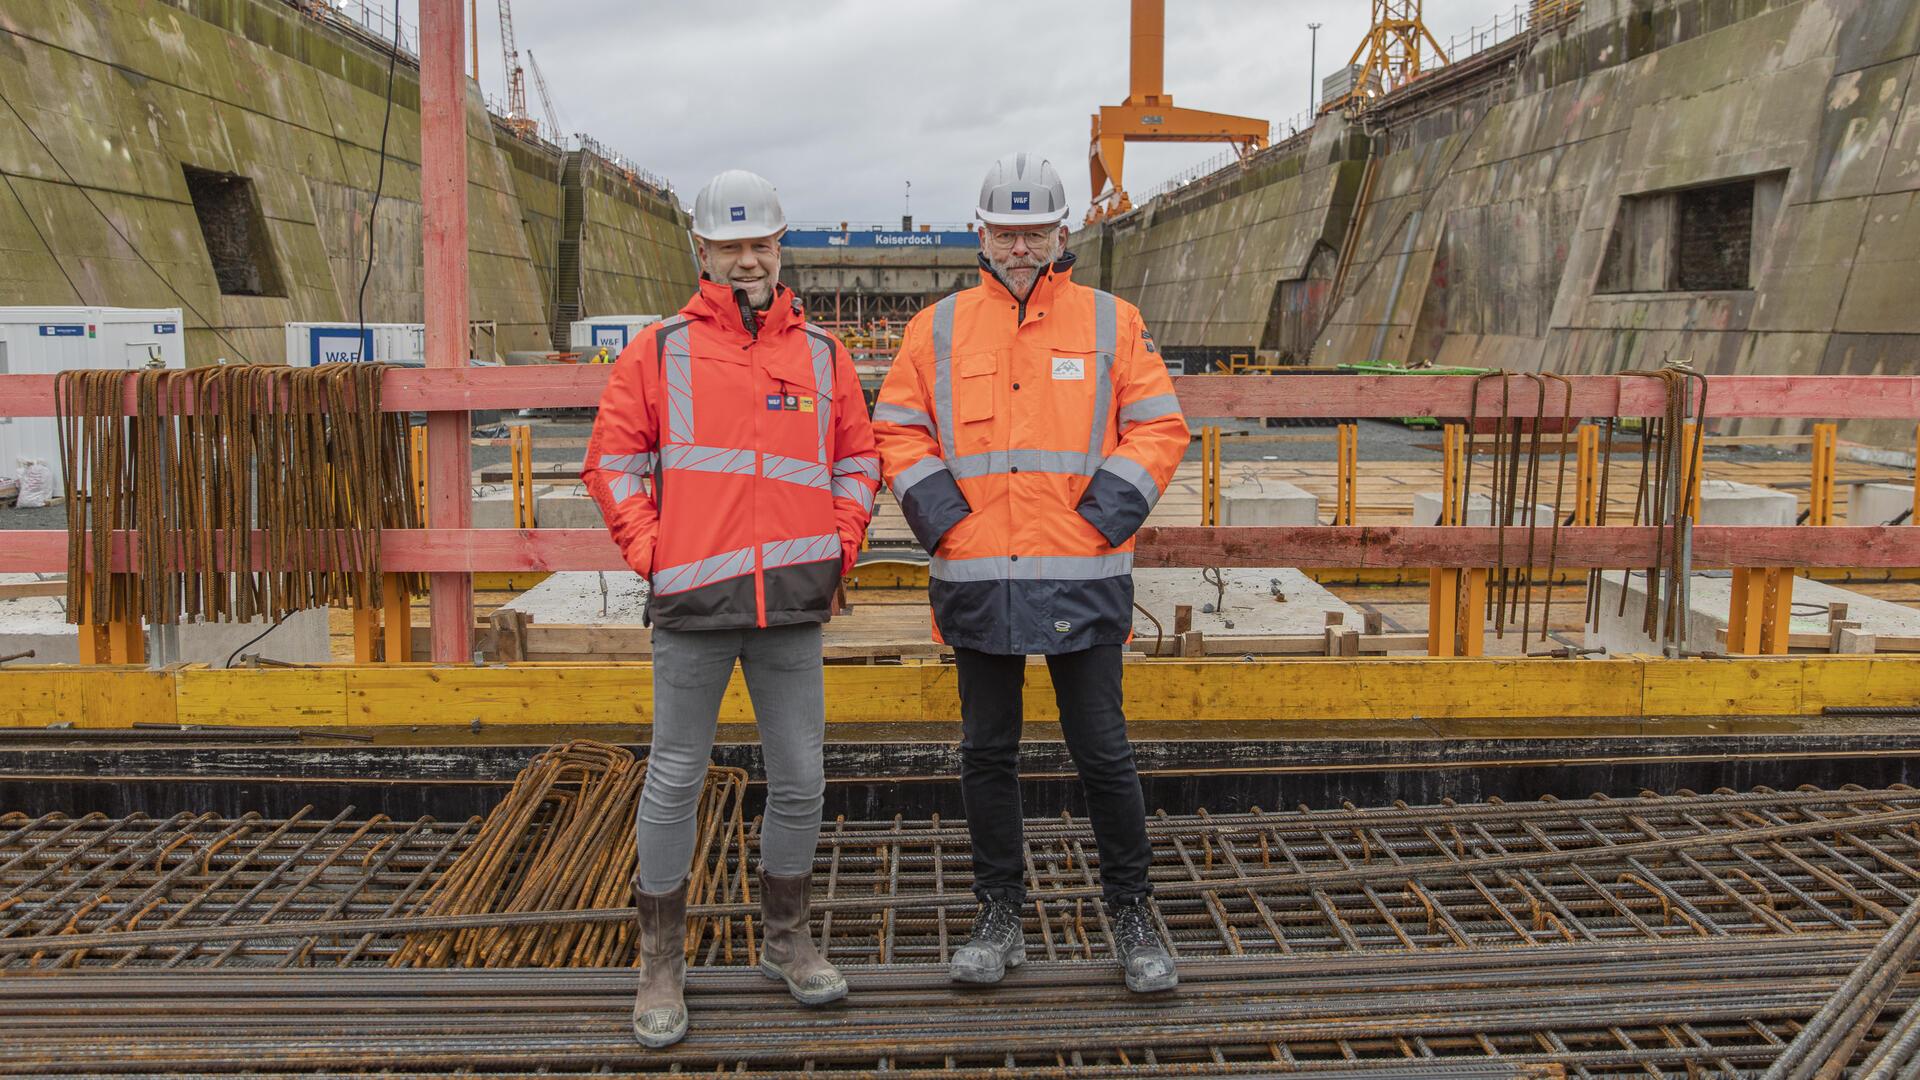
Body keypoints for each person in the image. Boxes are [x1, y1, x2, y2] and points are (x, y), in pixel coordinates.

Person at [872, 153, 1189, 992]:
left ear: (1062, 233)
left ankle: (1132, 914)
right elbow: (899, 430)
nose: (1019, 247)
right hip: (978, 574)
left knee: (1104, 753)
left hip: (1081, 572)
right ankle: (998, 913)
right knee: (986, 753)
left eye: (1034, 232)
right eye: (1006, 233)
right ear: (982, 234)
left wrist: (1099, 517)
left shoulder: (1113, 323)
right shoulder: (935, 330)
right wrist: (946, 522)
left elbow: (1158, 429)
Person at [582, 169, 880, 1047]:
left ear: (778, 248)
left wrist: (838, 544)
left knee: (801, 779)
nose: (747, 259)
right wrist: (655, 554)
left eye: (761, 243)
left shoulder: (822, 357)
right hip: (695, 603)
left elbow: (858, 462)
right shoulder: (660, 350)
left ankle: (786, 941)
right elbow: (611, 464)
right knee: (674, 778)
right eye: (731, 245)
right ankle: (661, 962)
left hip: (790, 603)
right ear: (702, 252)